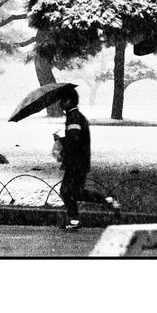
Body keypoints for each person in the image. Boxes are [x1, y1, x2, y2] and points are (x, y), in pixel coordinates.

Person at [57, 89, 92, 230]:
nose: (60, 103)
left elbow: (74, 139)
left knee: (66, 192)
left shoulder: (74, 117)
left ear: (69, 101)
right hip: (80, 161)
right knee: (76, 192)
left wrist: (61, 141)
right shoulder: (75, 116)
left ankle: (74, 221)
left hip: (76, 162)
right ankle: (109, 200)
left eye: (63, 100)